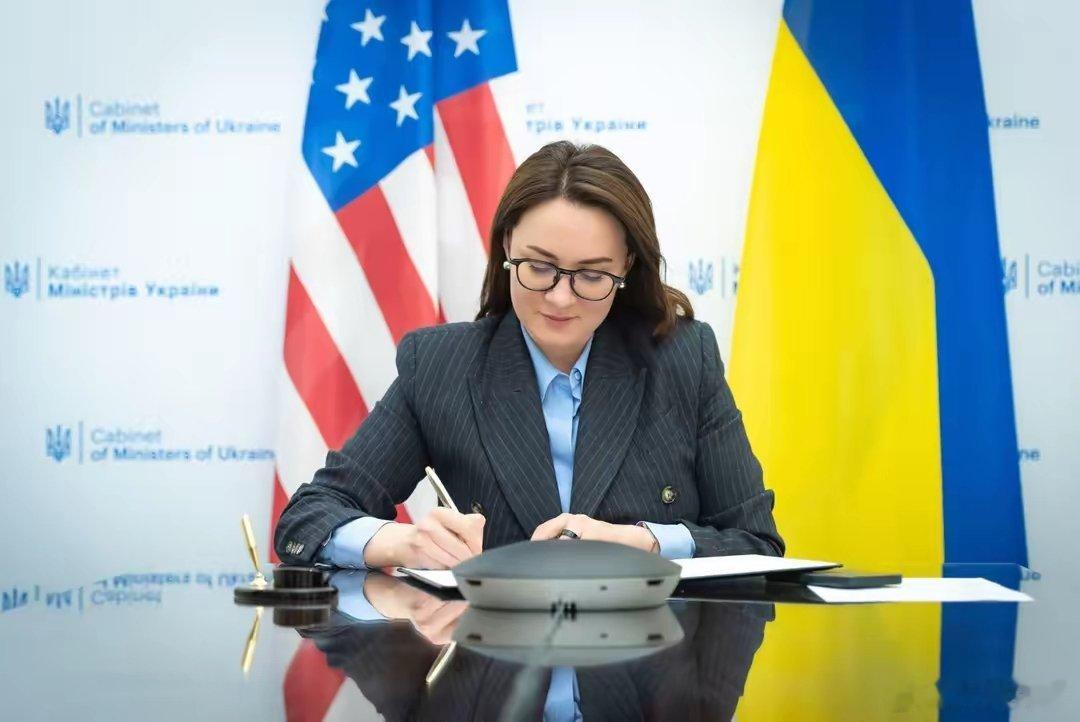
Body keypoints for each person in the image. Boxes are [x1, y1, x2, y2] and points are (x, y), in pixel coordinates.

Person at [274, 140, 783, 569]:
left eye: (591, 275)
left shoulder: (684, 359)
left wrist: (648, 543)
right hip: (489, 653)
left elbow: (757, 544)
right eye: (539, 268)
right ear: (506, 247)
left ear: (626, 267)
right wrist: (401, 542)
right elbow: (308, 517)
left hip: (654, 653)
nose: (560, 298)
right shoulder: (439, 366)